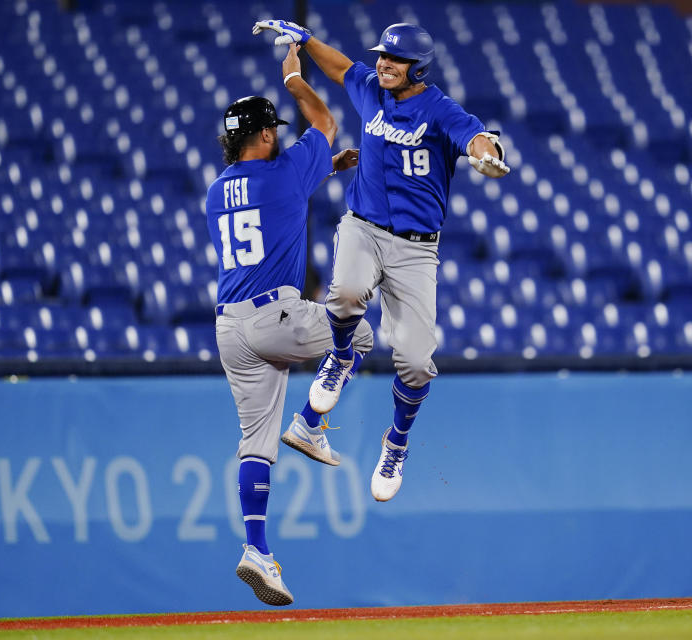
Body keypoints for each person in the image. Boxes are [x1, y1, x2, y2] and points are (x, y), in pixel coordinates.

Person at [252, 20, 510, 502]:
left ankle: (396, 443)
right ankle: (343, 354)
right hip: (364, 226)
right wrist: (306, 41)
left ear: (419, 68)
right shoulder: (371, 87)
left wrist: (487, 154)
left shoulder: (439, 110)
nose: (383, 64)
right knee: (346, 294)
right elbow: (342, 68)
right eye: (383, 55)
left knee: (414, 362)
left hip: (415, 249)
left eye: (394, 60)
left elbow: (477, 138)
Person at [205, 44, 373, 607]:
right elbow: (325, 121)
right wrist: (296, 78)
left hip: (230, 327)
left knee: (254, 444)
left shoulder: (213, 193)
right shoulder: (282, 172)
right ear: (266, 134)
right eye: (273, 128)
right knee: (362, 335)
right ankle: (307, 423)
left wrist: (323, 165)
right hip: (276, 313)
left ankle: (257, 550)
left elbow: (267, 202)